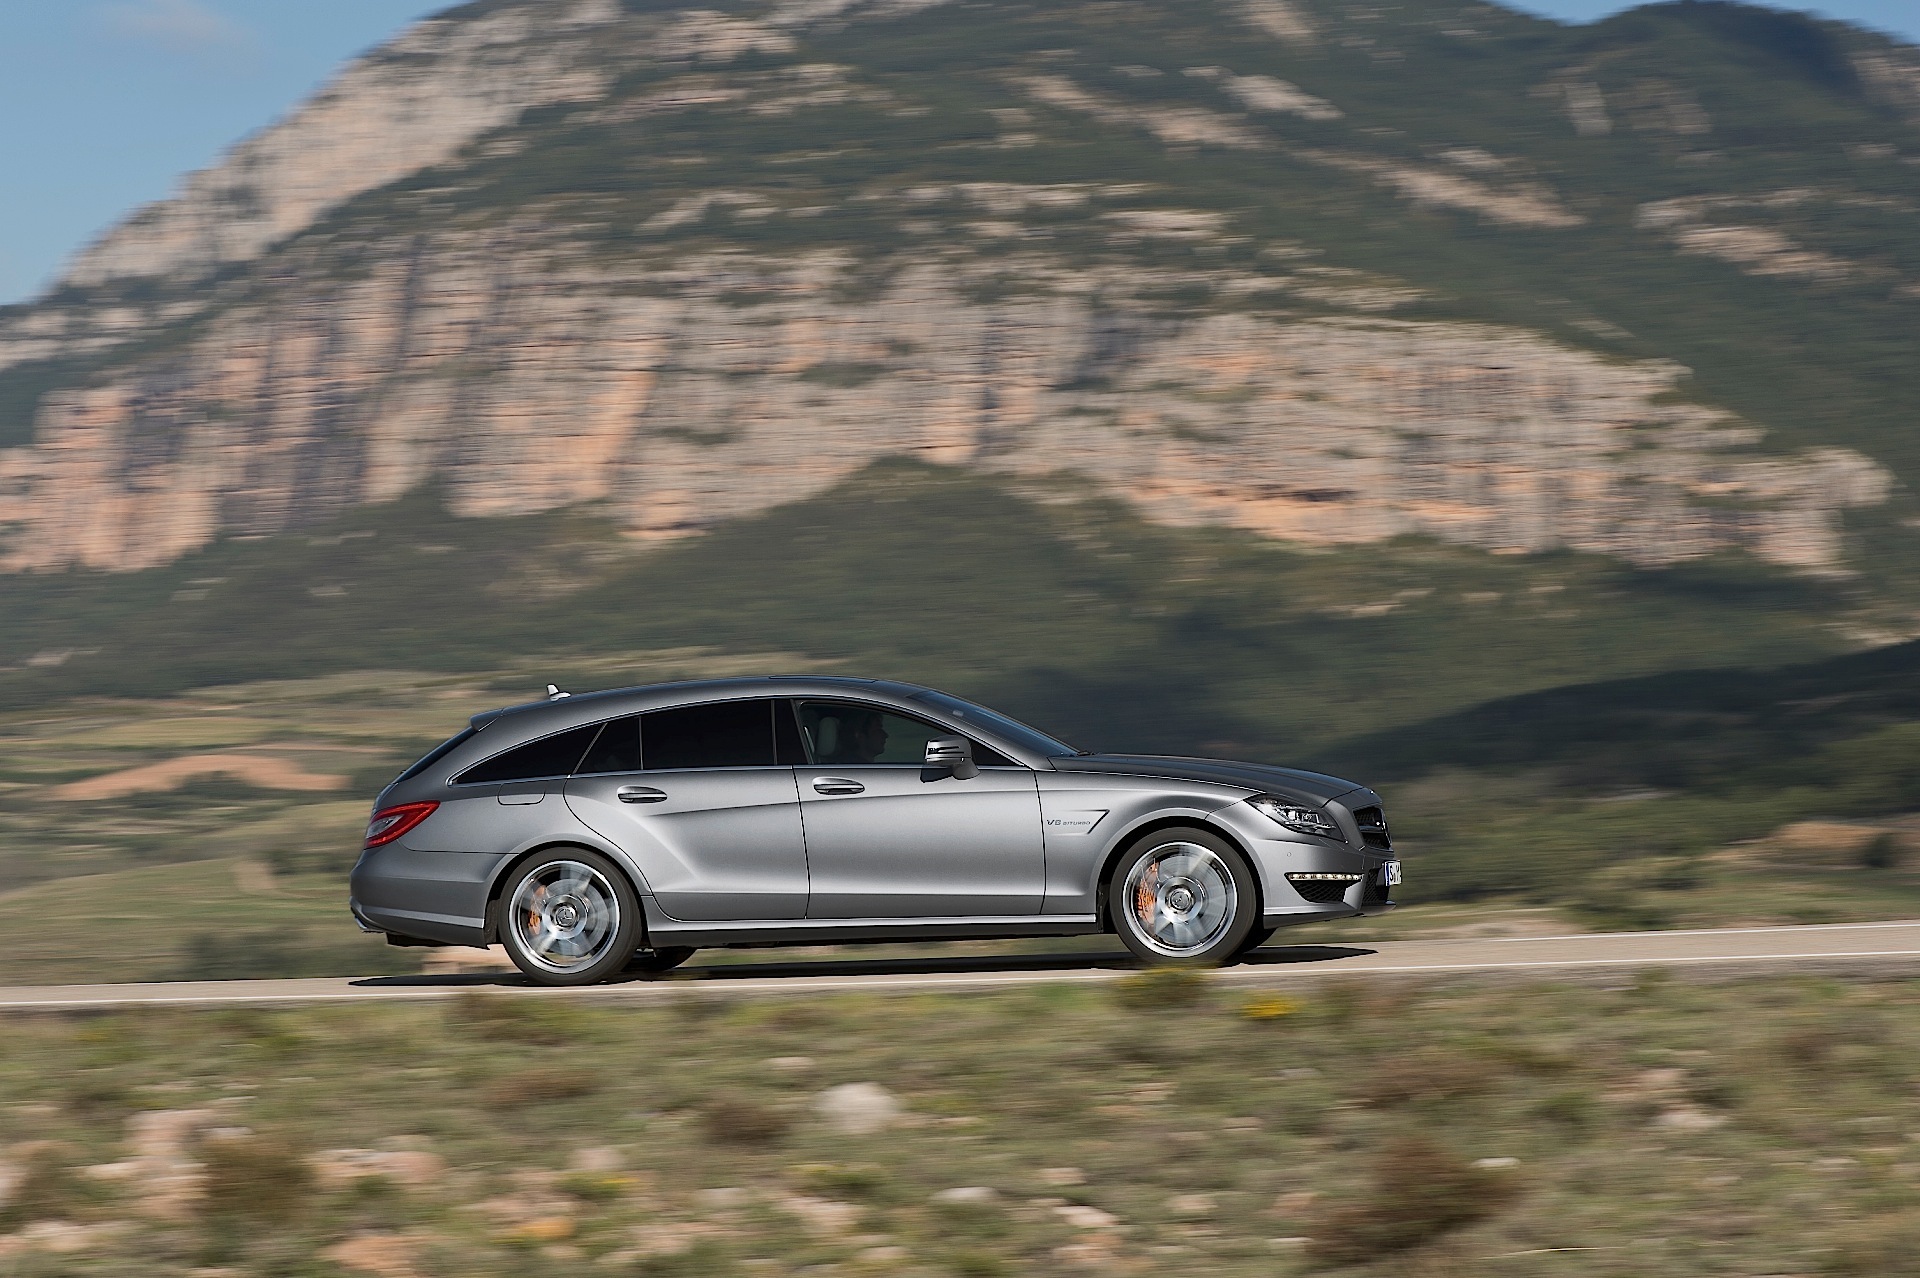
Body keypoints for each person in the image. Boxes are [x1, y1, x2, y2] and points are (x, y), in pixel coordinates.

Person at [821, 708, 890, 764]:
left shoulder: (850, 766)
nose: (885, 735)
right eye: (878, 729)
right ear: (859, 736)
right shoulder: (858, 771)